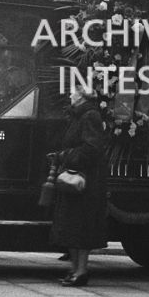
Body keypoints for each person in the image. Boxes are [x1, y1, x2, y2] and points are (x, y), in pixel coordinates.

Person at [49, 83, 108, 286]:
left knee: (81, 229)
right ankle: (75, 270)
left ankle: (81, 271)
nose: (70, 95)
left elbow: (91, 148)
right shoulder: (78, 115)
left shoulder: (89, 116)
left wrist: (65, 156)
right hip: (74, 180)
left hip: (84, 182)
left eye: (74, 91)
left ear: (82, 96)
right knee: (71, 228)